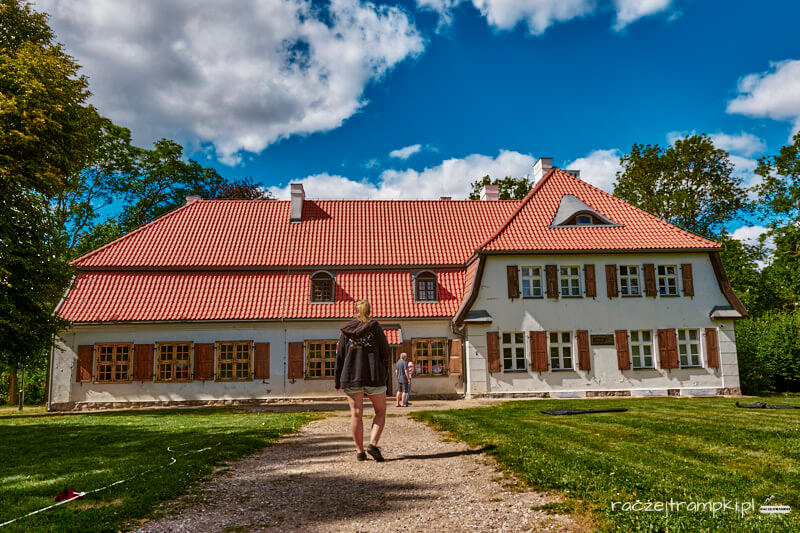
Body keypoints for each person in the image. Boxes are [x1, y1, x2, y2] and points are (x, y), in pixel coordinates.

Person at [334, 299, 390, 462]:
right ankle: (372, 444)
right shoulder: (375, 328)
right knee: (380, 411)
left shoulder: (346, 331)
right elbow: (385, 352)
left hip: (351, 376)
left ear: (355, 311)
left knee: (356, 414)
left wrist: (338, 380)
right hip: (374, 376)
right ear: (369, 310)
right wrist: (383, 370)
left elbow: (340, 357)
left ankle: (360, 451)